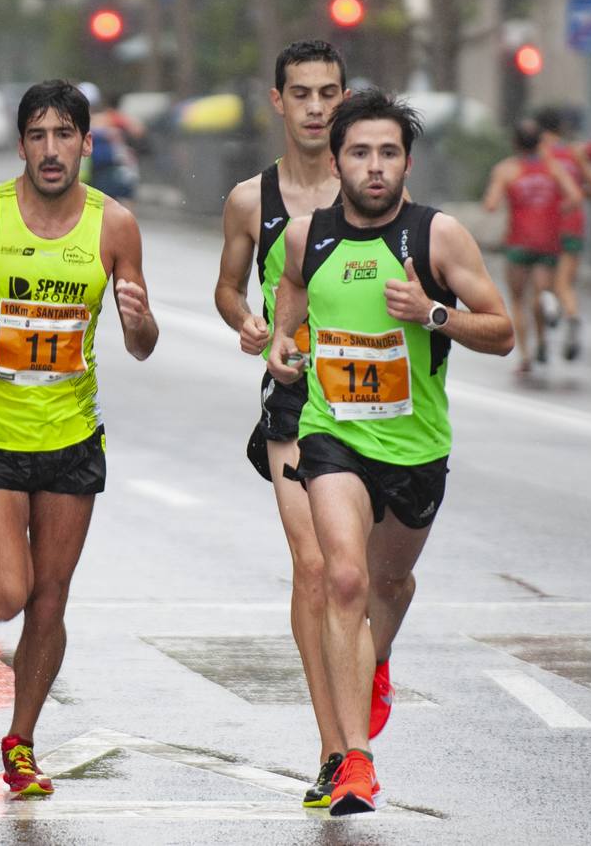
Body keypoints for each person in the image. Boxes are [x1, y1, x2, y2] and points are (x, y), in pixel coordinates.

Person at [0, 80, 157, 795]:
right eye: (38, 136)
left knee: (50, 599)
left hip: (74, 436)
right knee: (8, 597)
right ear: (21, 146)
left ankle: (21, 740)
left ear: (85, 143)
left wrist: (138, 319)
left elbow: (142, 343)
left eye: (64, 135)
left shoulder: (115, 227)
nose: (52, 150)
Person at [267, 88, 514, 815]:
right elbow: (290, 294)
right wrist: (285, 340)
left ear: (407, 162)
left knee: (387, 585)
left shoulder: (438, 238)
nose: (374, 168)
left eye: (388, 154)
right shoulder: (306, 236)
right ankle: (354, 763)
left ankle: (375, 663)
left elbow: (502, 331)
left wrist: (434, 313)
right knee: (341, 580)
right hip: (332, 432)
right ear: (336, 160)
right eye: (360, 153)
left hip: (416, 447)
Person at [213, 39, 350, 809]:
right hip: (294, 402)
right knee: (314, 568)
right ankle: (334, 749)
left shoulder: (371, 183)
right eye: (301, 94)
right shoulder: (248, 200)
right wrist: (249, 322)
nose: (316, 108)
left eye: (329, 92)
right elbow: (226, 288)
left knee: (366, 577)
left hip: (371, 404)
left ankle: (366, 667)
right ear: (277, 101)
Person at [482, 119, 582, 374]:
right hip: (548, 241)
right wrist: (553, 211)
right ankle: (543, 339)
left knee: (517, 299)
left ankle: (525, 356)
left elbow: (491, 204)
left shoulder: (506, 170)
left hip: (518, 242)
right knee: (540, 293)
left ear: (514, 143)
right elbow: (576, 197)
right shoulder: (554, 168)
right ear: (540, 142)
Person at [534, 107, 591, 360]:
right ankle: (572, 316)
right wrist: (577, 190)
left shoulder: (539, 155)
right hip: (574, 225)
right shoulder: (574, 154)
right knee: (565, 283)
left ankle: (543, 341)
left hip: (546, 225)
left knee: (542, 286)